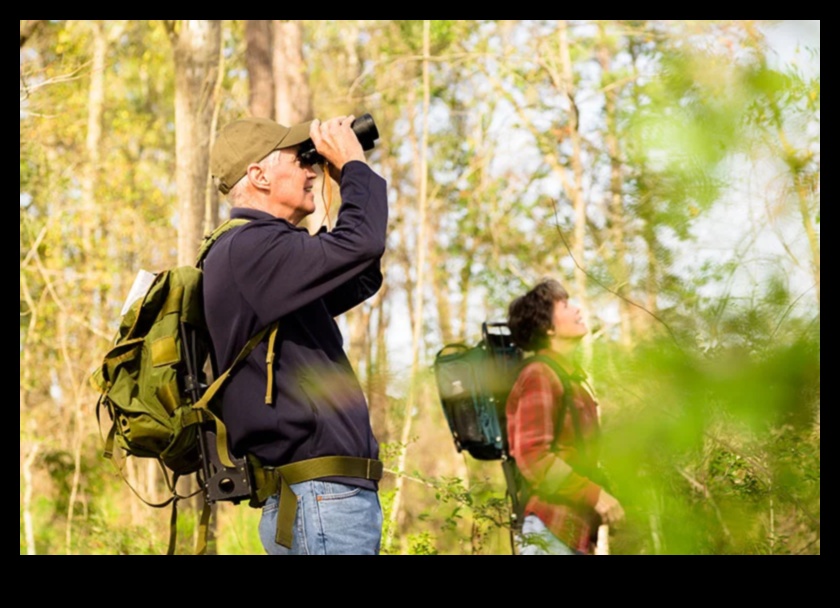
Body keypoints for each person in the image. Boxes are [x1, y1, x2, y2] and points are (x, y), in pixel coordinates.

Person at [204, 114, 388, 555]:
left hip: (315, 500)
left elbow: (358, 272)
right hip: (320, 500)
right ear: (258, 175)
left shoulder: (255, 251)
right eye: (300, 159)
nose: (311, 169)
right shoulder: (251, 248)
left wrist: (345, 176)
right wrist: (355, 169)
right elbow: (359, 244)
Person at [505, 279, 624, 555]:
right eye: (566, 305)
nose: (578, 311)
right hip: (550, 531)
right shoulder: (539, 375)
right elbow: (533, 455)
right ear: (547, 327)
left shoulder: (570, 380)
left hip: (571, 534)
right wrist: (594, 495)